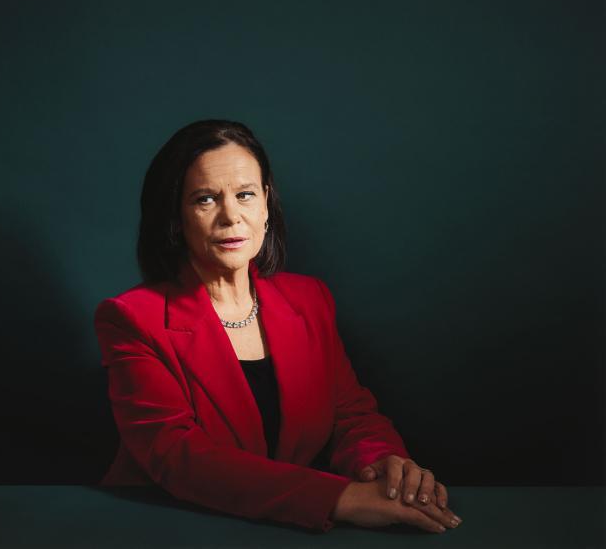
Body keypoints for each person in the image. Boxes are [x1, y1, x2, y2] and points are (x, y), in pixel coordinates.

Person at [94, 119, 463, 533]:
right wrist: (339, 497)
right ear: (177, 216)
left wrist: (384, 467)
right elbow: (179, 457)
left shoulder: (309, 299)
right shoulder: (131, 318)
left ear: (266, 204)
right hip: (167, 528)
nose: (231, 216)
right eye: (205, 199)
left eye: (245, 194)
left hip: (280, 529)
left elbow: (349, 415)